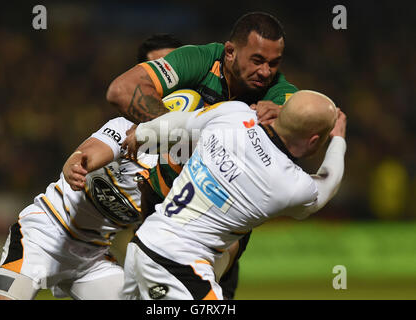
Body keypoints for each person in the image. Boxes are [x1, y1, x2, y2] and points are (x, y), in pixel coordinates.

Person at [108, 11, 298, 299]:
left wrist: (287, 115)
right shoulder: (200, 60)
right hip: (158, 210)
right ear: (230, 52)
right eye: (257, 60)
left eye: (274, 63)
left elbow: (319, 118)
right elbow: (122, 90)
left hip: (219, 228)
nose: (266, 72)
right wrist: (175, 130)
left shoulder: (278, 93)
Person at [121, 90, 347, 300]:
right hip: (176, 263)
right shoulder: (291, 186)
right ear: (314, 140)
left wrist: (142, 132)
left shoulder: (234, 113)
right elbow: (329, 180)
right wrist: (338, 139)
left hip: (145, 242)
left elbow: (182, 122)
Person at [0, 117, 157, 300]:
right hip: (44, 234)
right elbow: (89, 152)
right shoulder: (128, 130)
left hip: (92, 258)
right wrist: (76, 163)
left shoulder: (180, 180)